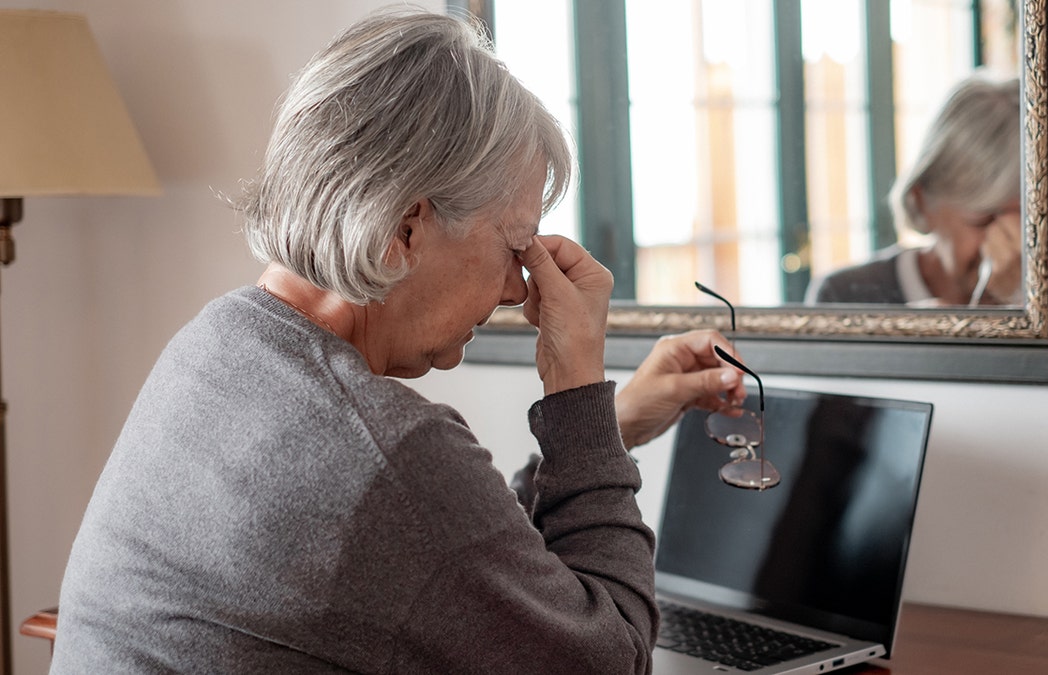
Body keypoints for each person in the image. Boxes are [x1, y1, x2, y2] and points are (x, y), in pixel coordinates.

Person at [51, 9, 746, 674]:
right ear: (405, 225)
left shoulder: (216, 343)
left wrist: (606, 426)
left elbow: (437, 565)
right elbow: (612, 658)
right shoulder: (384, 457)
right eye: (513, 244)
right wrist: (576, 391)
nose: (516, 288)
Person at [807, 73, 1023, 307]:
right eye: (984, 219)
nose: (1015, 240)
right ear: (922, 202)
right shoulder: (844, 297)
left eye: (1027, 219)